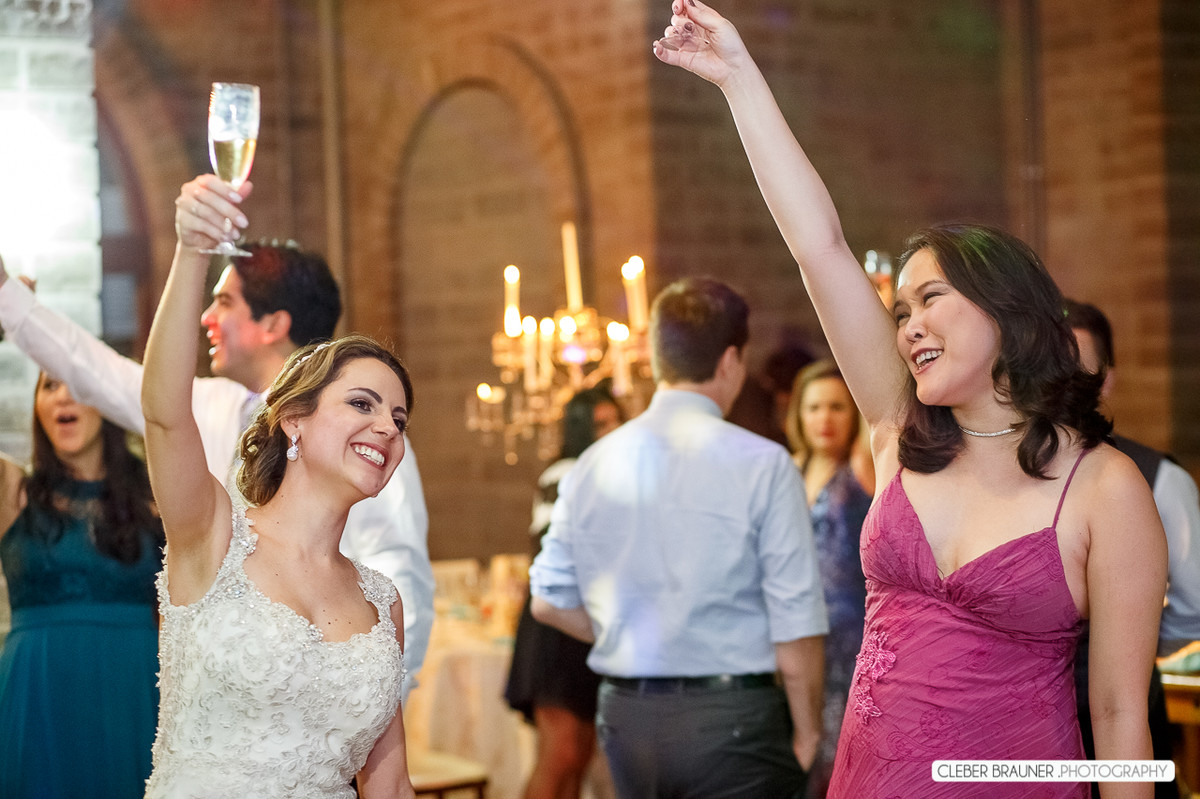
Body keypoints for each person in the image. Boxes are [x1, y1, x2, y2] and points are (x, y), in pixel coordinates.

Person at [654, 5, 1168, 797]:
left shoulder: (1105, 488)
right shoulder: (898, 426)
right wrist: (739, 80)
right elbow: (818, 246)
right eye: (901, 312)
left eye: (931, 299)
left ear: (1004, 309)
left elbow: (1119, 710)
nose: (910, 325)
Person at [0, 185, 435, 686]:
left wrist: (378, 698)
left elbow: (398, 569)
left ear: (273, 324)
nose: (207, 317)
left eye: (224, 303)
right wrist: (9, 299)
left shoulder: (361, 438)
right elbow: (95, 371)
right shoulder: (211, 406)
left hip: (326, 679)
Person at [141, 179, 415, 797]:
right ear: (294, 418)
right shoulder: (213, 533)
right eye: (363, 404)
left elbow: (391, 781)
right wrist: (191, 251)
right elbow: (163, 415)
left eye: (398, 419)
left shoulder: (382, 602)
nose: (387, 428)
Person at [530, 277, 828, 799]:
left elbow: (548, 602)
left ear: (657, 359)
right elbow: (796, 619)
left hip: (628, 718)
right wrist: (808, 732)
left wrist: (637, 634)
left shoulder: (591, 464)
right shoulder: (765, 464)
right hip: (731, 717)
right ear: (731, 360)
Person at [0, 373, 164, 798]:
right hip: (37, 691)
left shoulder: (157, 492)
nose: (62, 398)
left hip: (133, 690)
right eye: (49, 386)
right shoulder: (11, 490)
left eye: (76, 382)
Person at [1065, 299, 1188, 799]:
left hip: (1127, 717)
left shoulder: (1155, 477)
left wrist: (1134, 638)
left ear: (1106, 379)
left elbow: (1192, 605)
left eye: (1078, 368)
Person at [504, 385, 622, 799]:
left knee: (579, 757)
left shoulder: (611, 474)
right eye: (601, 424)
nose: (612, 431)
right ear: (580, 429)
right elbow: (552, 550)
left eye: (616, 421)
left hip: (587, 626)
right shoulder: (565, 472)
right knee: (560, 756)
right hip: (555, 627)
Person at [784, 360, 872, 798]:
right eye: (814, 407)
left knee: (841, 760)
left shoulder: (862, 465)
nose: (825, 418)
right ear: (798, 414)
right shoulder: (788, 469)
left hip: (850, 636)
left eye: (837, 407)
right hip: (796, 633)